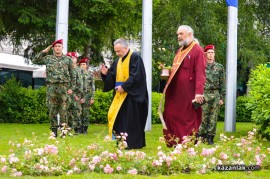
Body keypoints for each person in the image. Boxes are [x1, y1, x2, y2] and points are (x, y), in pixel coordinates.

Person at [100, 38, 148, 149]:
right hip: (120, 95)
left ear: (126, 48)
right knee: (119, 120)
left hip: (132, 96)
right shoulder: (118, 60)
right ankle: (121, 142)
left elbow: (136, 76)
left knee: (131, 121)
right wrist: (106, 73)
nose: (117, 53)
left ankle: (133, 144)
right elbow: (112, 76)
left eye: (119, 51)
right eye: (116, 51)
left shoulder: (135, 57)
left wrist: (124, 87)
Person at [162, 25, 206, 147]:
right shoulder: (179, 50)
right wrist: (167, 73)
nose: (178, 36)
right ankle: (175, 142)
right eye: (178, 34)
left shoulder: (197, 50)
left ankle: (186, 143)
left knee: (187, 119)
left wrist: (198, 93)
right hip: (176, 93)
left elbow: (200, 73)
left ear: (190, 34)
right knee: (170, 114)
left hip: (188, 93)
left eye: (181, 34)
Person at [32, 39, 75, 137]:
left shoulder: (68, 60)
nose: (57, 48)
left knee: (64, 111)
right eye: (55, 46)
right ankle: (54, 132)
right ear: (53, 48)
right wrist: (44, 51)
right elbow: (34, 60)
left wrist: (71, 88)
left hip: (64, 87)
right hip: (52, 87)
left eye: (59, 46)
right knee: (52, 110)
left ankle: (63, 132)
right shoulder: (48, 58)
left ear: (62, 48)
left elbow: (73, 75)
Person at [198, 45, 225, 145]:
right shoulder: (201, 66)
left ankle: (210, 137)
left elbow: (222, 83)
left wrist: (222, 97)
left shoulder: (219, 67)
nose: (211, 54)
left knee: (213, 117)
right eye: (209, 52)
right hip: (204, 93)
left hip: (215, 94)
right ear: (205, 54)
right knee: (203, 116)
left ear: (214, 54)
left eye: (212, 52)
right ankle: (201, 136)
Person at [66, 52, 84, 135]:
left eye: (73, 58)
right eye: (70, 57)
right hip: (66, 94)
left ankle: (77, 129)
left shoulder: (78, 70)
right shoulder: (65, 68)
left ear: (76, 59)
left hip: (75, 94)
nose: (71, 59)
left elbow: (80, 84)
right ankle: (68, 128)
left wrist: (78, 95)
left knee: (76, 111)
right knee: (67, 112)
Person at [79, 57, 95, 134]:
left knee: (85, 113)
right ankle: (79, 128)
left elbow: (93, 87)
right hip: (78, 96)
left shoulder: (90, 74)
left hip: (87, 96)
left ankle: (85, 128)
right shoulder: (76, 74)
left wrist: (92, 98)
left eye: (84, 64)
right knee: (78, 113)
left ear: (86, 65)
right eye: (81, 64)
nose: (82, 65)